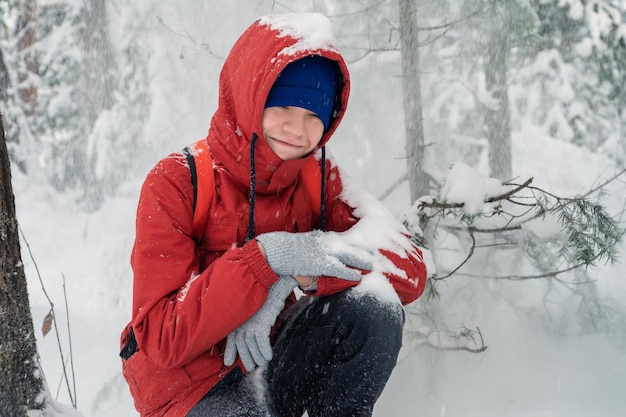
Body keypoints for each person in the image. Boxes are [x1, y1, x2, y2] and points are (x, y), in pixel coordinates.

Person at [120, 12, 428, 417]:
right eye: (283, 105)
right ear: (251, 97)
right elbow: (162, 337)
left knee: (374, 308)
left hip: (272, 361)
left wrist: (299, 268)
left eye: (314, 116)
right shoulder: (178, 181)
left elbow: (409, 269)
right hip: (191, 390)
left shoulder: (316, 175)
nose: (297, 129)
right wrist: (264, 260)